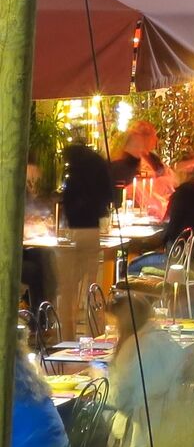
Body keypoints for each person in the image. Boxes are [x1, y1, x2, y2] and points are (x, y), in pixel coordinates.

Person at [54, 142, 117, 334]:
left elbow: (69, 204)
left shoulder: (74, 175)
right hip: (93, 231)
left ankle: (67, 335)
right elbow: (109, 197)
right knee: (93, 285)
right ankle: (95, 331)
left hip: (74, 233)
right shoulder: (98, 169)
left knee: (68, 288)